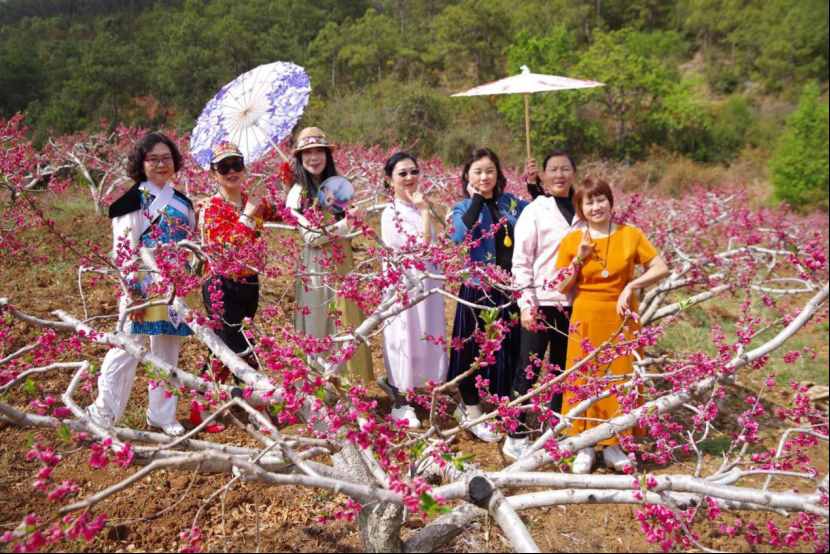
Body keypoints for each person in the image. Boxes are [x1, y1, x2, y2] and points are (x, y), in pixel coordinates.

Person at [556, 177, 668, 474]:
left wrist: (632, 286)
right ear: (580, 209)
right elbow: (560, 285)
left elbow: (661, 267)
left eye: (600, 199)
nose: (596, 206)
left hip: (621, 316)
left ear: (610, 201)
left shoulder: (631, 235)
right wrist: (578, 260)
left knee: (619, 375)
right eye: (588, 202)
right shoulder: (572, 240)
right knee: (584, 375)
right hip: (586, 316)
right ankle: (584, 444)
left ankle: (615, 443)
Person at [86, 132, 195, 436]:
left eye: (166, 158)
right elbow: (124, 249)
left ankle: (162, 415)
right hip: (141, 286)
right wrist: (132, 292)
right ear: (141, 163)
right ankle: (104, 411)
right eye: (154, 159)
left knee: (168, 351)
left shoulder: (183, 203)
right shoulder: (132, 202)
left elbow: (190, 243)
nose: (161, 164)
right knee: (126, 349)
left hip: (173, 287)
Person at [193, 142, 278, 432]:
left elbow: (284, 213)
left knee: (223, 347)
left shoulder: (255, 202)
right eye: (224, 167)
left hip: (249, 282)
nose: (232, 172)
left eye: (236, 165)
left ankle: (200, 405)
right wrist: (247, 215)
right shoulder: (209, 208)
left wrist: (293, 181)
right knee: (238, 346)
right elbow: (224, 246)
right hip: (220, 284)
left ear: (245, 168)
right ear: (214, 173)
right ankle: (259, 407)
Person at [503, 150, 582, 461]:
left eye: (565, 169)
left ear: (574, 172)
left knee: (564, 368)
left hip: (576, 302)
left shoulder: (583, 207)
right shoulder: (536, 209)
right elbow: (520, 261)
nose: (560, 175)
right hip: (541, 301)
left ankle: (557, 426)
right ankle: (514, 431)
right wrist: (526, 302)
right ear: (544, 176)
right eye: (553, 170)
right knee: (529, 368)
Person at [447, 148, 528, 442]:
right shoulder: (462, 207)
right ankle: (470, 408)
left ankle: (503, 405)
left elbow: (538, 217)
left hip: (510, 289)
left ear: (499, 174)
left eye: (490, 171)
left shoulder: (512, 204)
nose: (485, 177)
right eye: (478, 171)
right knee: (471, 351)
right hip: (477, 291)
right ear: (468, 176)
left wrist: (534, 188)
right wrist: (477, 199)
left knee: (508, 350)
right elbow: (458, 236)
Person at [285, 127, 373, 383]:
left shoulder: (337, 186)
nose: (314, 158)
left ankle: (348, 387)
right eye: (307, 153)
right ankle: (317, 388)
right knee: (317, 324)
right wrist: (345, 224)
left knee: (345, 322)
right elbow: (311, 237)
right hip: (315, 267)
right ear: (300, 159)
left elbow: (349, 231)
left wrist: (355, 220)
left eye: (319, 152)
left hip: (342, 262)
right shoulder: (297, 194)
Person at [380, 152, 448, 428]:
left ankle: (422, 389)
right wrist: (423, 212)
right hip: (404, 285)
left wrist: (425, 212)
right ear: (390, 180)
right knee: (404, 336)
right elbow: (418, 247)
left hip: (428, 283)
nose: (410, 178)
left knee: (427, 333)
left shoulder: (424, 207)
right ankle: (400, 399)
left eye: (413, 172)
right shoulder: (390, 213)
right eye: (402, 174)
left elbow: (435, 248)